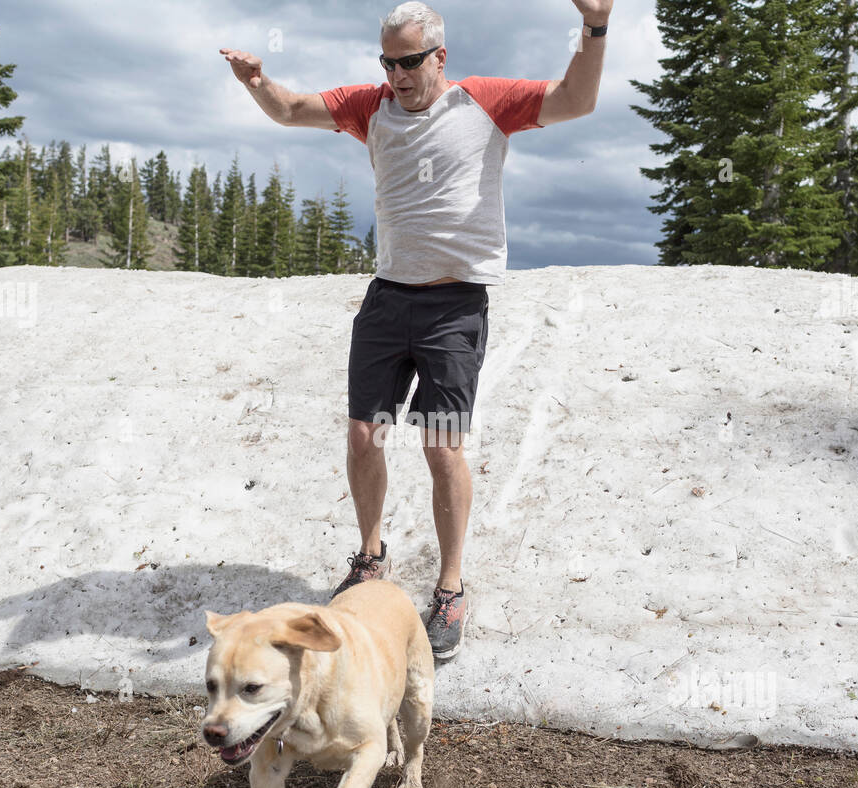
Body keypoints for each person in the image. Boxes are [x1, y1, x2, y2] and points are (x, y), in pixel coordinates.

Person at [221, 0, 611, 661]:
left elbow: (577, 99)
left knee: (441, 446)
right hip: (386, 301)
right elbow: (291, 110)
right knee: (362, 434)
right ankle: (371, 556)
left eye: (408, 61)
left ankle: (451, 588)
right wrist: (256, 83)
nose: (397, 74)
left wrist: (595, 27)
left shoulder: (486, 103)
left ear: (439, 57)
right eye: (387, 61)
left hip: (455, 307)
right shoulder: (369, 107)